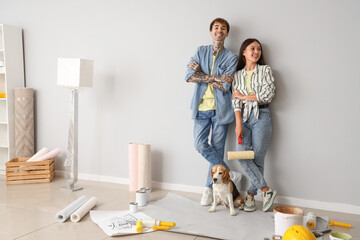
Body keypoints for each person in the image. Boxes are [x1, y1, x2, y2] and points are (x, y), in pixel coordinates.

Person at [185, 18, 238, 206]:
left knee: (217, 149)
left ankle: (209, 189)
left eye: (223, 28)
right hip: (200, 108)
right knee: (200, 145)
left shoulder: (231, 57)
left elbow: (225, 85)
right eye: (216, 27)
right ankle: (227, 170)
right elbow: (189, 76)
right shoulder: (200, 51)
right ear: (210, 31)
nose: (219, 31)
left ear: (227, 34)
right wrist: (215, 77)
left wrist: (203, 75)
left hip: (221, 110)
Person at [232, 38, 277, 212]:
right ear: (244, 52)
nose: (256, 52)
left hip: (262, 115)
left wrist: (243, 97)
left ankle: (250, 196)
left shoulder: (265, 70)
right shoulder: (237, 75)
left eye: (258, 49)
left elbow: (268, 94)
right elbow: (234, 102)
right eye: (252, 48)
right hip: (243, 118)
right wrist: (238, 123)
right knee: (241, 155)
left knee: (258, 157)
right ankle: (266, 190)